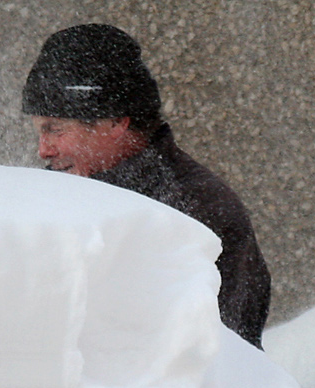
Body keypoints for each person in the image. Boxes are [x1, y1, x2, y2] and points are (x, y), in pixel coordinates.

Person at [21, 23, 272, 346]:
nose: (43, 150)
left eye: (55, 129)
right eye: (40, 131)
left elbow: (220, 354)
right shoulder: (52, 192)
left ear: (115, 123)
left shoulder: (195, 209)